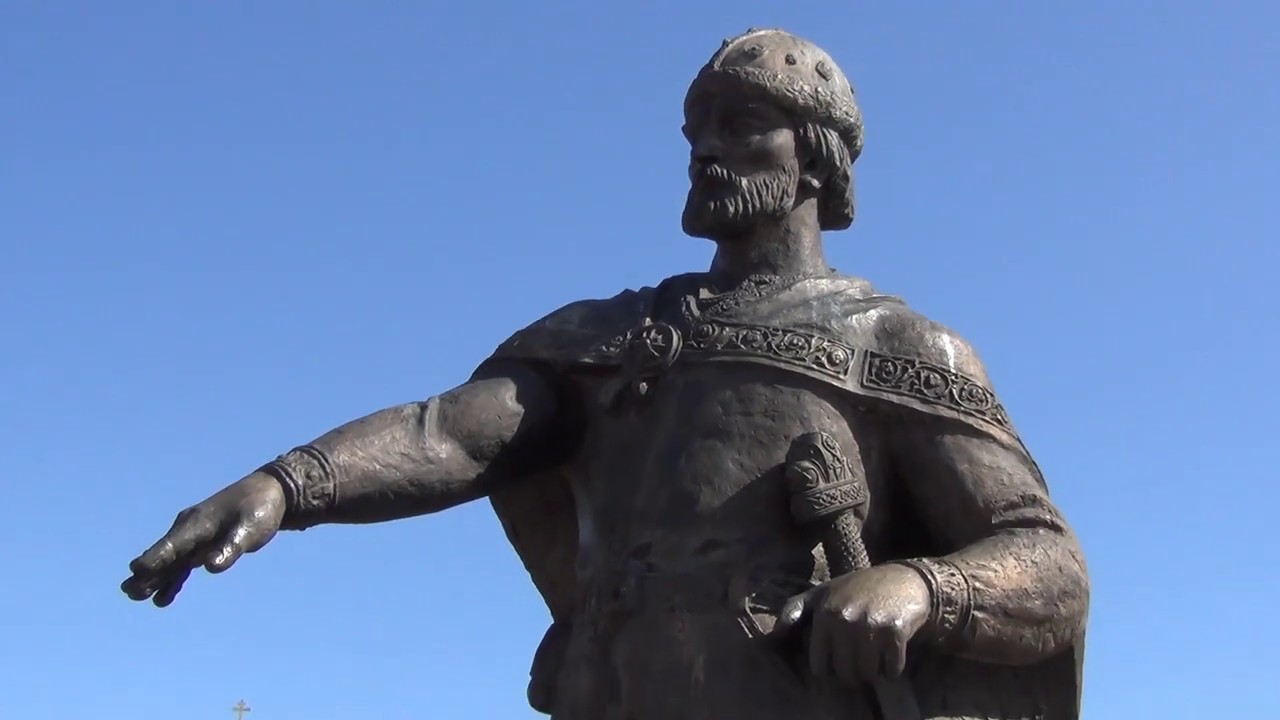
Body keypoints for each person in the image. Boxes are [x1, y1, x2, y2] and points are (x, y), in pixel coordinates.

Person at [122, 28, 1089, 720]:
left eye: (742, 123)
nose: (705, 148)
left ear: (816, 161)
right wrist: (285, 487)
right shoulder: (612, 335)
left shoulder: (899, 346)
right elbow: (451, 435)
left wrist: (922, 588)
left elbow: (1046, 562)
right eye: (696, 129)